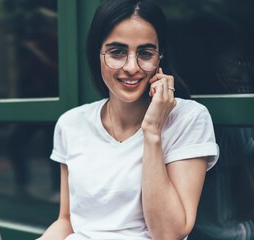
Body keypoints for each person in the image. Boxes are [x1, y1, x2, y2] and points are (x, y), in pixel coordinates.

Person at [38, 0, 219, 239]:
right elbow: (67, 220)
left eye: (145, 53)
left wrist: (152, 132)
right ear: (98, 54)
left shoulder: (189, 118)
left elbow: (169, 234)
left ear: (160, 57)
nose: (131, 67)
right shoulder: (71, 123)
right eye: (117, 52)